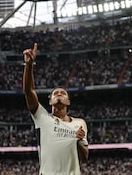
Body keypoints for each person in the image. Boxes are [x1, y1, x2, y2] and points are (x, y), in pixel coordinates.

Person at [23, 43, 89, 175]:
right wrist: (29, 65)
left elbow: (84, 157)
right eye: (55, 93)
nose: (59, 94)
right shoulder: (42, 117)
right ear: (50, 101)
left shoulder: (80, 123)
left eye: (63, 93)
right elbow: (29, 91)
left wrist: (79, 141)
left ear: (68, 101)